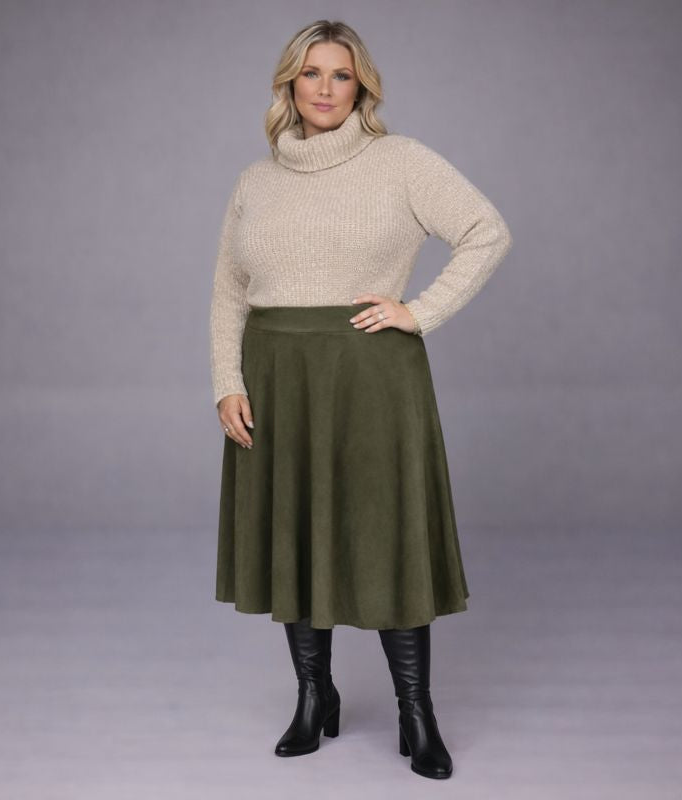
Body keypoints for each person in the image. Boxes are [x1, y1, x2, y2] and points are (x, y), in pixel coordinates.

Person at [209, 19, 512, 780]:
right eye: (311, 73)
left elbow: (486, 231)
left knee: (385, 535)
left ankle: (417, 711)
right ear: (289, 83)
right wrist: (226, 382)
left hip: (372, 379)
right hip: (276, 377)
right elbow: (229, 290)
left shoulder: (399, 161)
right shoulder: (255, 180)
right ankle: (316, 697)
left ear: (362, 87)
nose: (324, 88)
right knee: (295, 534)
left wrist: (420, 311)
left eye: (340, 75)